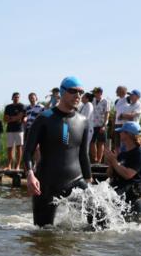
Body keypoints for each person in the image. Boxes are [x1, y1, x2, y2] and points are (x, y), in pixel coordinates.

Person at [24, 76, 93, 227]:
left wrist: (88, 181)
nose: (78, 95)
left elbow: (83, 155)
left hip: (76, 180)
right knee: (42, 233)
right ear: (62, 92)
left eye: (81, 92)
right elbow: (28, 151)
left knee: (100, 221)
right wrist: (30, 174)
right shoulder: (44, 118)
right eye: (73, 91)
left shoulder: (83, 121)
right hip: (47, 183)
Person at [103, 121, 141, 218]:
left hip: (135, 199)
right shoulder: (122, 154)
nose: (120, 133)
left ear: (129, 134)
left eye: (122, 132)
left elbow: (128, 174)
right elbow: (109, 174)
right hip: (121, 196)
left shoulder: (140, 153)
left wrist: (114, 161)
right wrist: (112, 162)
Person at [3, 92, 26, 168]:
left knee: (18, 147)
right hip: (10, 129)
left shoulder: (22, 106)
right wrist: (15, 118)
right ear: (12, 98)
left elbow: (20, 117)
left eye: (18, 97)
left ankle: (18, 165)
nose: (16, 98)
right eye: (15, 97)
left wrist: (11, 118)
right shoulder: (8, 107)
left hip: (19, 129)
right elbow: (5, 119)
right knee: (9, 148)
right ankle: (9, 164)